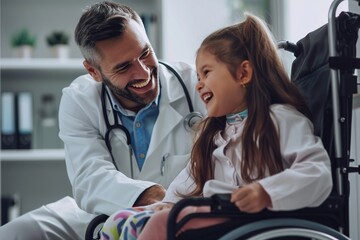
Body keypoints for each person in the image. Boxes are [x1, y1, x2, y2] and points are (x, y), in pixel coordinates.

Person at [99, 13, 333, 240]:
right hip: (219, 217)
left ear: (243, 73)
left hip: (254, 220)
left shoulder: (280, 119)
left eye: (206, 73)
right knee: (119, 219)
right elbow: (185, 183)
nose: (199, 85)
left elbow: (317, 173)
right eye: (198, 77)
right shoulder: (213, 134)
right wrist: (167, 204)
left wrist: (267, 192)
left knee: (162, 223)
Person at [0, 1, 205, 239]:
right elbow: (90, 177)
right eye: (124, 66)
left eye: (145, 53)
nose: (143, 72)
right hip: (106, 210)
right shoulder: (80, 99)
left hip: (184, 212)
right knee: (17, 232)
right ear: (93, 71)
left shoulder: (197, 85)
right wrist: (156, 196)